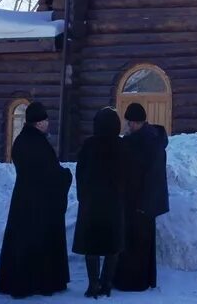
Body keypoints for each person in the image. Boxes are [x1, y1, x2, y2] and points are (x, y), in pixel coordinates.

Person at [0, 101, 73, 299]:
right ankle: (40, 282)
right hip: (41, 202)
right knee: (40, 241)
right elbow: (50, 173)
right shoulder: (39, 144)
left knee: (22, 241)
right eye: (45, 120)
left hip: (23, 199)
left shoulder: (21, 140)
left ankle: (18, 281)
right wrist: (66, 175)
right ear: (38, 123)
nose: (48, 123)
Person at [73, 107, 129, 298]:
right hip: (113, 203)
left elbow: (80, 173)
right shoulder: (121, 145)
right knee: (112, 245)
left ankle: (93, 284)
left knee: (92, 246)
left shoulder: (89, 145)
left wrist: (82, 195)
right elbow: (127, 176)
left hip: (92, 203)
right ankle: (106, 283)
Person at [113, 102, 168, 292]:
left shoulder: (140, 143)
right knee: (143, 244)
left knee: (133, 244)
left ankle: (131, 283)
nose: (128, 126)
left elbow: (139, 173)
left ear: (136, 122)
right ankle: (144, 280)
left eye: (129, 123)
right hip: (147, 201)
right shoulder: (153, 139)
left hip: (137, 199)